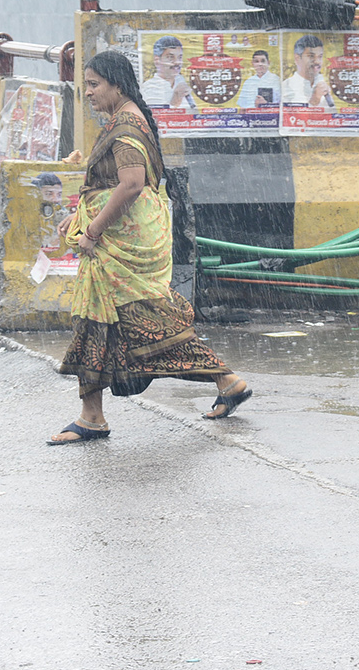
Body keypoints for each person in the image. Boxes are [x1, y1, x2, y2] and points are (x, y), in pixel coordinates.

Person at [48, 50, 251, 444]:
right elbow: (114, 187)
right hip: (123, 238)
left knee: (145, 326)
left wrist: (91, 232)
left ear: (116, 85)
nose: (88, 93)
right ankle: (92, 414)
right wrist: (80, 217)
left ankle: (224, 378)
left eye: (93, 85)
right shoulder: (126, 120)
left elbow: (132, 184)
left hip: (121, 246)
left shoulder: (124, 129)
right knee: (101, 324)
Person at [141, 35, 193, 108]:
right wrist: (175, 102)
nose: (177, 62)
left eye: (180, 57)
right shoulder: (150, 88)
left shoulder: (181, 81)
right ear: (157, 60)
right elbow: (154, 116)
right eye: (170, 57)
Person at [282, 34, 334, 108]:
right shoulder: (286, 86)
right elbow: (289, 116)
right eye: (311, 56)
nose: (317, 61)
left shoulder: (324, 85)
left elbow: (333, 116)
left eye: (320, 56)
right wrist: (314, 100)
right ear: (297, 58)